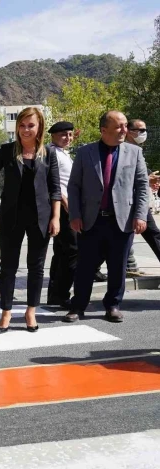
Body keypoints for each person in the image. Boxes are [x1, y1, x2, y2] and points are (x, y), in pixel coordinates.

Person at [0, 107, 61, 333]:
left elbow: (55, 188)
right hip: (11, 218)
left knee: (36, 268)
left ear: (39, 127)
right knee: (8, 267)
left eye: (30, 125)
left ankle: (30, 311)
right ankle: (6, 312)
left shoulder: (49, 153)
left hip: (41, 219)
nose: (26, 130)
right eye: (22, 125)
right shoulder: (6, 151)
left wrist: (56, 217)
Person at [64, 111, 149, 324]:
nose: (125, 130)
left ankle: (112, 305)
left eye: (125, 126)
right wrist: (74, 215)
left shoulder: (134, 153)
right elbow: (74, 186)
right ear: (104, 130)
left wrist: (140, 216)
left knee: (118, 266)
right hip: (91, 220)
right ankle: (78, 306)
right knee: (85, 266)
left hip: (122, 220)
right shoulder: (85, 153)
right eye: (119, 126)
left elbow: (141, 186)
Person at [46, 121, 78, 310]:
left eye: (70, 134)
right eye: (64, 134)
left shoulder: (63, 153)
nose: (68, 138)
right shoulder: (52, 154)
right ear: (53, 135)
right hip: (63, 208)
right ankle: (61, 294)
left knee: (62, 252)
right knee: (72, 251)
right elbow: (54, 183)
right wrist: (65, 202)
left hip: (68, 207)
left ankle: (55, 294)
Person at [127, 119, 160, 263]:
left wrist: (151, 179)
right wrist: (147, 179)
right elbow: (123, 178)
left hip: (138, 201)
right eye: (140, 130)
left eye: (145, 130)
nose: (143, 134)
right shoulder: (124, 150)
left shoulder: (137, 149)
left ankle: (91, 268)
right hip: (128, 202)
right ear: (128, 131)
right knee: (154, 235)